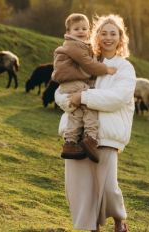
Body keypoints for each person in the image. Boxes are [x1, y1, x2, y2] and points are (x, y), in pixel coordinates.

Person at [55, 14, 136, 232]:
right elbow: (61, 91)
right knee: (82, 188)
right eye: (104, 33)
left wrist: (84, 97)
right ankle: (93, 229)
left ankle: (119, 222)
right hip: (77, 134)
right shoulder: (83, 60)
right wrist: (70, 101)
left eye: (113, 33)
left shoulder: (124, 68)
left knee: (108, 187)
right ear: (96, 36)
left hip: (107, 134)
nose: (108, 38)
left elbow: (117, 98)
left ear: (121, 38)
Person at [51, 13, 117, 163]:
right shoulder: (74, 45)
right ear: (68, 33)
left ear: (89, 32)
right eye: (76, 29)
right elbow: (87, 63)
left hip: (69, 83)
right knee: (90, 104)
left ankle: (70, 143)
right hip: (73, 81)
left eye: (84, 28)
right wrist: (106, 69)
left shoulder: (78, 45)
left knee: (78, 111)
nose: (80, 32)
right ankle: (91, 138)